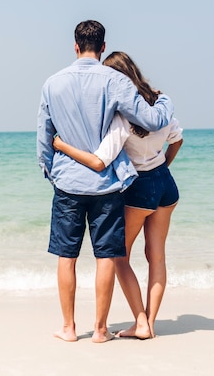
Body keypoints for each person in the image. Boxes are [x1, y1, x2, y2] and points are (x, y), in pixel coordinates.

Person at [37, 21, 174, 343]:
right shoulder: (113, 80)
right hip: (107, 184)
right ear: (102, 47)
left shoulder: (52, 83)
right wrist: (165, 101)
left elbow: (44, 135)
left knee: (66, 256)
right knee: (105, 256)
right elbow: (152, 119)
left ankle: (69, 328)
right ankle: (100, 330)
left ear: (75, 46)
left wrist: (51, 170)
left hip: (68, 182)